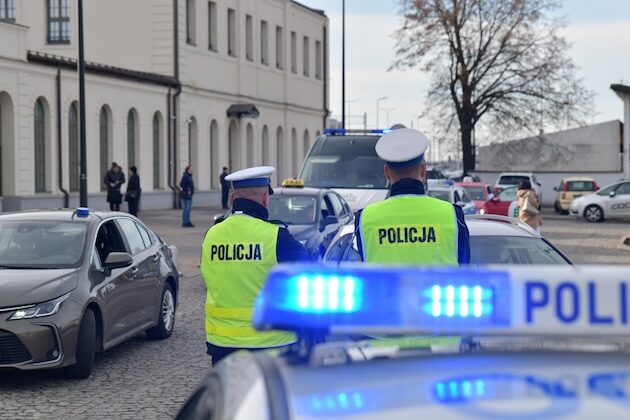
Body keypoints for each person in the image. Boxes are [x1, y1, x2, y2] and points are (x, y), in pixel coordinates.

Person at [200, 166, 307, 364]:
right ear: (266, 198)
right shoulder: (277, 237)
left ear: (233, 198)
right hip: (272, 343)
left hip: (222, 344)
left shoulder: (211, 235)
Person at [354, 128, 470, 265]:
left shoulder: (365, 218)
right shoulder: (452, 215)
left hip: (385, 287)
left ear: (386, 173)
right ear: (422, 170)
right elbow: (465, 266)